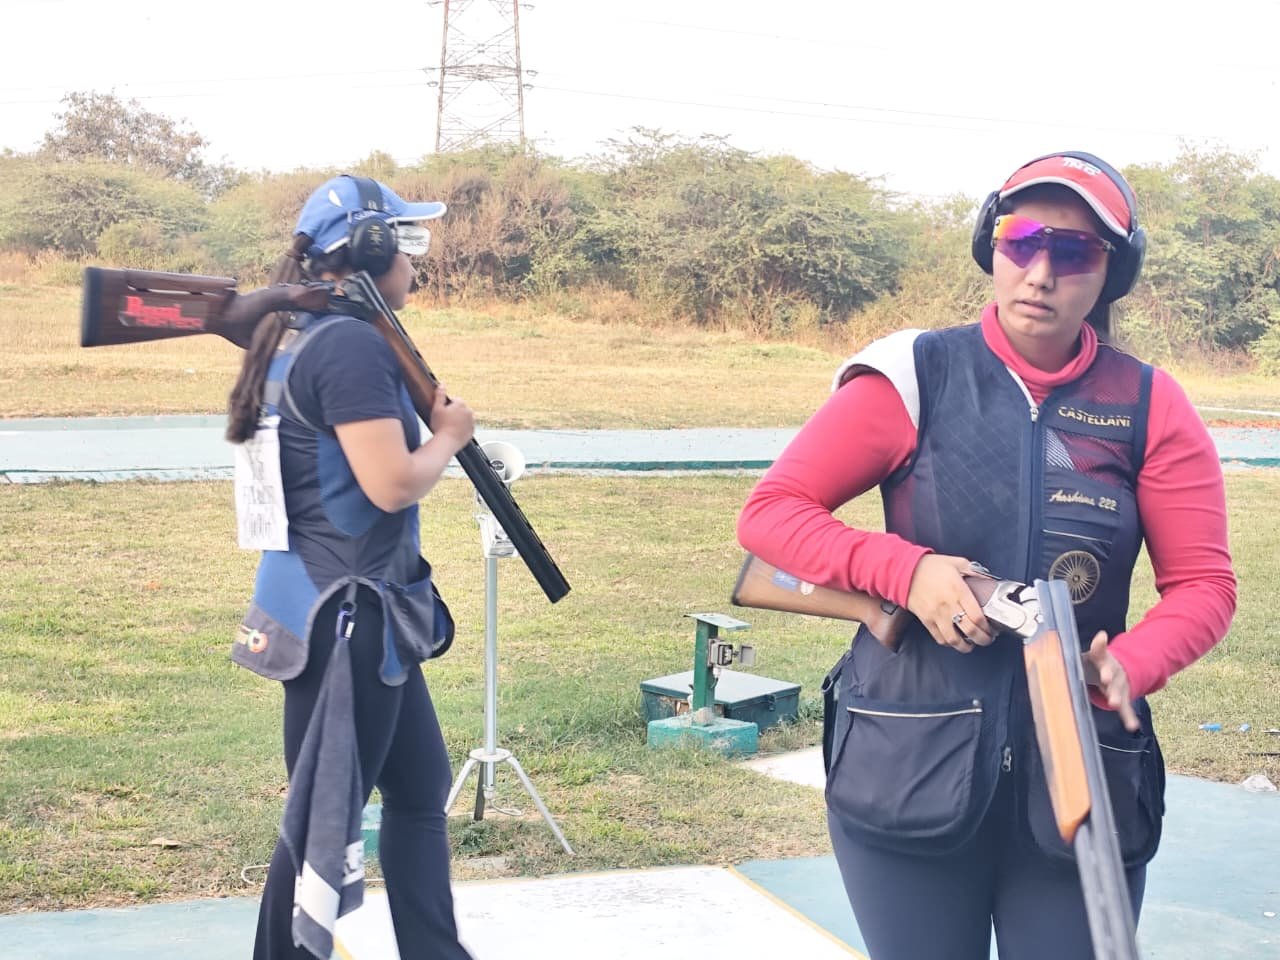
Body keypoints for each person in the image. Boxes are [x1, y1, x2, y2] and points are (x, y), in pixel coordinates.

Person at [736, 151, 1236, 959]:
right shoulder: (914, 373)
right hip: (907, 761)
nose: (1041, 272)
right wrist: (907, 572)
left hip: (1080, 771)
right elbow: (772, 514)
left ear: (1112, 273)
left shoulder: (1151, 404)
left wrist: (1128, 665)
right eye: (1022, 239)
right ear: (991, 244)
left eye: (1073, 251)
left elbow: (1205, 585)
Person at [225, 174, 476, 960]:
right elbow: (392, 483)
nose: (415, 261)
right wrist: (450, 436)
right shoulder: (351, 346)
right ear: (368, 250)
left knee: (419, 790)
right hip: (347, 614)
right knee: (320, 825)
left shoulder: (299, 329)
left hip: (341, 605)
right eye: (406, 242)